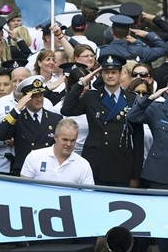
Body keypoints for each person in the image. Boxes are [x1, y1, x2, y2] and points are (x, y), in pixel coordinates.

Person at [61, 54, 144, 187]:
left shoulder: (132, 99)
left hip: (121, 165)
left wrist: (135, 175)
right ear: (101, 74)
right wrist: (82, 82)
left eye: (113, 72)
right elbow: (67, 109)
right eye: (106, 72)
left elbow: (138, 141)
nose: (110, 76)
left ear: (120, 73)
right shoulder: (91, 97)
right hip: (96, 163)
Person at [0, 75, 63, 175]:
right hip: (24, 169)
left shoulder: (55, 119)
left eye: (41, 95)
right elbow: (1, 135)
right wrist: (17, 108)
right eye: (34, 96)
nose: (39, 99)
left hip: (47, 170)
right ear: (25, 98)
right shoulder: (17, 118)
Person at [21, 119, 94, 185]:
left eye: (72, 140)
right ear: (55, 137)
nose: (69, 144)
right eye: (65, 139)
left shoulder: (83, 165)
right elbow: (23, 188)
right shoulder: (34, 157)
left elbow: (89, 195)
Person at [101, 15, 168, 64]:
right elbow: (164, 48)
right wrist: (147, 34)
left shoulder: (101, 51)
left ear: (111, 32)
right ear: (129, 32)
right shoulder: (139, 50)